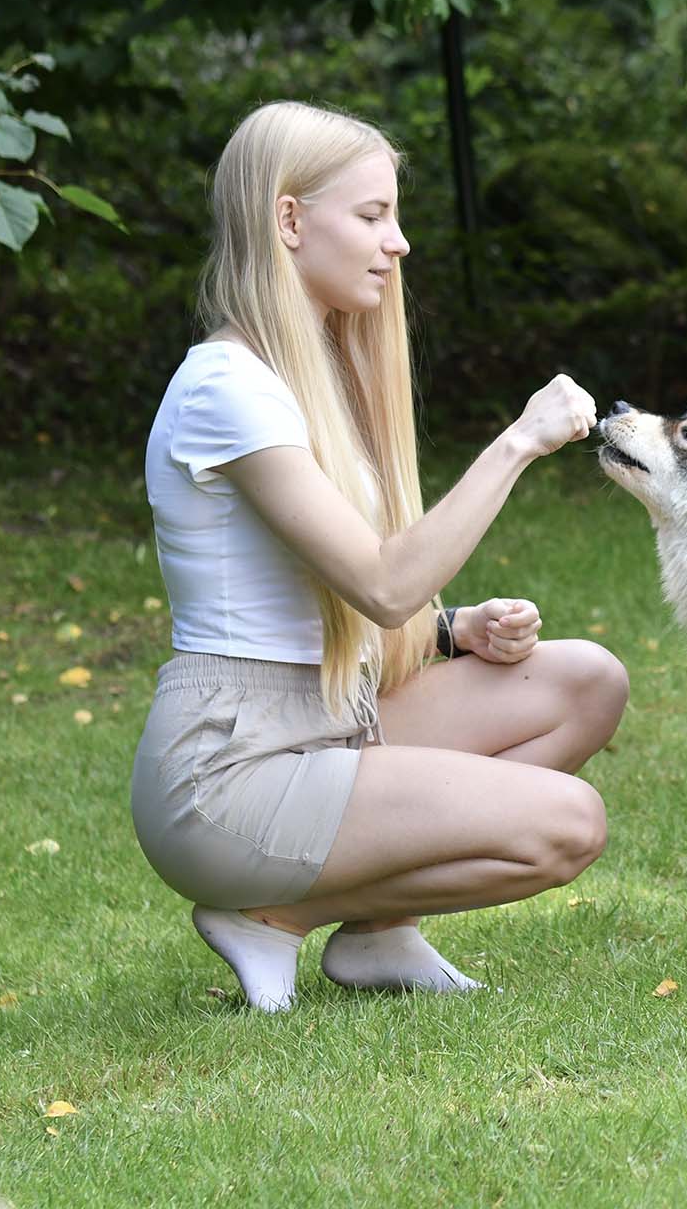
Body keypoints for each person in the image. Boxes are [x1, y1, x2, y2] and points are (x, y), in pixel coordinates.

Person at [130, 100, 626, 1013]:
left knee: (588, 682)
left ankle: (376, 934)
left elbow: (366, 598)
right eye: (371, 216)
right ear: (288, 221)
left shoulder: (296, 378)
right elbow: (384, 581)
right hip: (230, 772)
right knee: (569, 826)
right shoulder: (224, 390)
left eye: (394, 216)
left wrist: (453, 630)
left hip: (331, 720)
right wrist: (517, 442)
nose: (397, 243)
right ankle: (271, 913)